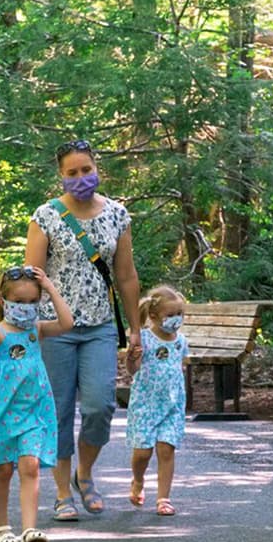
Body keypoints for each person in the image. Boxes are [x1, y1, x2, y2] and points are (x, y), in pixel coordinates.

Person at [24, 139, 142, 521]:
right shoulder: (46, 216)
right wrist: (22, 328)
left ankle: (84, 473)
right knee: (58, 410)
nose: (80, 178)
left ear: (97, 168)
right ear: (61, 175)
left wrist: (136, 331)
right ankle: (62, 493)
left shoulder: (117, 214)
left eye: (86, 170)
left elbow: (125, 276)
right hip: (55, 327)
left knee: (99, 405)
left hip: (100, 326)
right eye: (72, 173)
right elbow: (31, 278)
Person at [0, 266, 74, 542]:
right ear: (4, 300)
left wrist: (51, 289)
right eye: (20, 301)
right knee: (4, 469)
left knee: (30, 465)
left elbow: (67, 323)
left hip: (34, 410)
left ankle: (30, 529)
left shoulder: (37, 330)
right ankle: (2, 526)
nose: (27, 308)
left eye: (33, 302)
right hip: (4, 410)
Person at [125, 284, 189, 516]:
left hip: (172, 406)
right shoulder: (143, 338)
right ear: (153, 316)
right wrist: (132, 359)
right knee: (143, 453)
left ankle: (163, 497)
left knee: (166, 449)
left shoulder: (181, 341)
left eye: (179, 314)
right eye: (170, 315)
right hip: (145, 404)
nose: (176, 320)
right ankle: (138, 480)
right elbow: (132, 370)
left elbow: (178, 368)